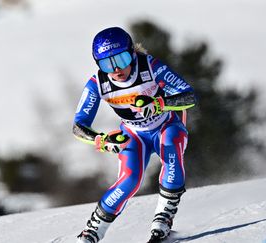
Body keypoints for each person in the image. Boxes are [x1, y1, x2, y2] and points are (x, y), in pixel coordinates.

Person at [73, 26, 196, 243]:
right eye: (106, 64)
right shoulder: (98, 84)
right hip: (134, 133)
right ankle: (92, 231)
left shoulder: (150, 66)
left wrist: (160, 104)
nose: (116, 69)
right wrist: (101, 140)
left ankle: (163, 219)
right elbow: (78, 126)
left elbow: (188, 96)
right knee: (129, 180)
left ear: (132, 53)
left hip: (166, 125)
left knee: (171, 151)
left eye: (121, 59)